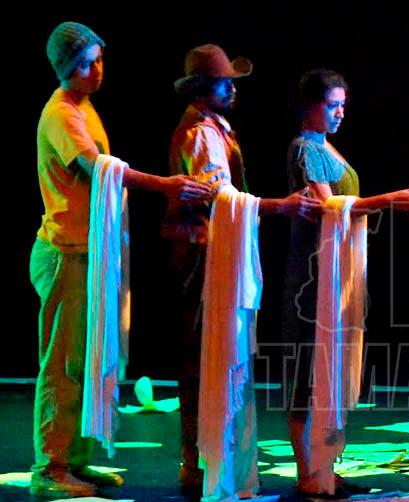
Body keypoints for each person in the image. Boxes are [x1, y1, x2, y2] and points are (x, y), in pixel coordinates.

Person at [31, 21, 212, 499]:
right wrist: (167, 186)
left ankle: (75, 461)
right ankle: (50, 468)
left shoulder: (83, 107)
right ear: (66, 68)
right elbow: (98, 169)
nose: (97, 71)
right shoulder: (61, 114)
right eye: (86, 64)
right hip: (65, 254)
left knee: (85, 362)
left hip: (87, 253)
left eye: (99, 60)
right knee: (63, 365)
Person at [162, 44, 322, 499]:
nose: (232, 89)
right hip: (200, 253)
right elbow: (219, 196)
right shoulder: (199, 133)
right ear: (202, 87)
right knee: (203, 358)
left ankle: (209, 459)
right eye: (224, 82)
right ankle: (199, 462)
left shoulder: (215, 127)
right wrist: (280, 206)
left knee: (210, 356)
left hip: (213, 251)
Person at [281, 68, 409, 499]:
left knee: (328, 363)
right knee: (307, 366)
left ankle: (325, 466)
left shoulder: (327, 146)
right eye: (332, 105)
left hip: (336, 270)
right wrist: (388, 200)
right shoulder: (304, 148)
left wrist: (389, 205)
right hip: (313, 272)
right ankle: (307, 470)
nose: (340, 113)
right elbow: (330, 206)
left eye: (343, 105)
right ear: (310, 106)